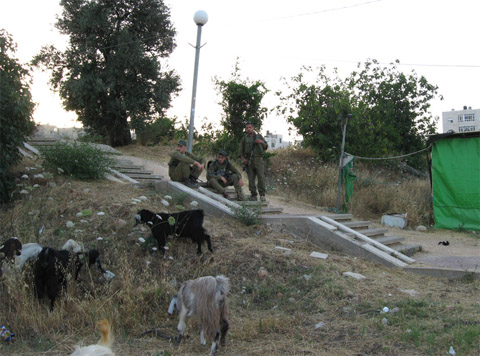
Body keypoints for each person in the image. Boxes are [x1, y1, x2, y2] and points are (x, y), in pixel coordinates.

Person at [239, 121, 268, 201]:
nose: (248, 129)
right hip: (249, 160)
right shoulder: (244, 138)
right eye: (247, 128)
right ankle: (253, 195)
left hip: (259, 159)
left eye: (250, 127)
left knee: (261, 178)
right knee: (251, 179)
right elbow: (241, 151)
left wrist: (261, 142)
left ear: (253, 128)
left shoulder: (259, 136)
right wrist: (243, 159)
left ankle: (262, 195)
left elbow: (266, 146)